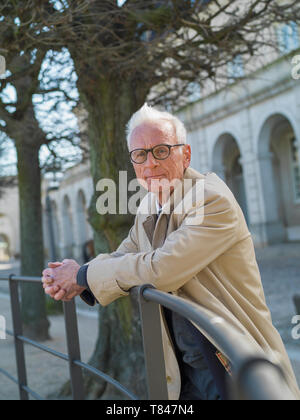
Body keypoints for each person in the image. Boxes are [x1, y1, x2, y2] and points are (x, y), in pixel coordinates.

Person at [42, 103, 300, 400]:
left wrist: (83, 275)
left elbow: (161, 269)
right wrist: (73, 276)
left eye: (161, 150)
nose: (150, 164)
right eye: (140, 154)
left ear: (186, 154)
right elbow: (124, 254)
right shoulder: (150, 205)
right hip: (183, 368)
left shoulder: (212, 200)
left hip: (229, 363)